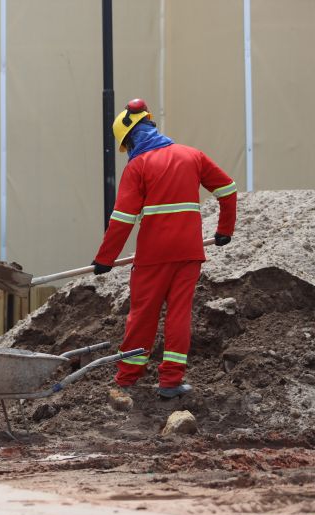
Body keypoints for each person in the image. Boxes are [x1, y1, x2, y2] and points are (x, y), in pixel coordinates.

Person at [92, 98, 237, 398]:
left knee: (143, 313)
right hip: (189, 252)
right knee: (179, 314)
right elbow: (228, 190)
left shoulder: (138, 166)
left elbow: (122, 219)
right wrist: (224, 230)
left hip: (153, 255)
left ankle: (127, 378)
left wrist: (105, 259)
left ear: (131, 138)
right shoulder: (192, 155)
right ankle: (170, 381)